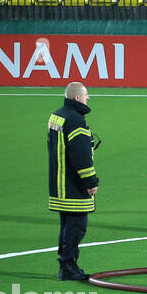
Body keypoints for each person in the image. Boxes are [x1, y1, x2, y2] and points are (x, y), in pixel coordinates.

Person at [48, 81, 99, 281]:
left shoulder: (57, 116)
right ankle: (68, 266)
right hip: (73, 186)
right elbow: (80, 156)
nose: (88, 98)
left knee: (67, 226)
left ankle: (66, 264)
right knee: (76, 227)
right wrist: (91, 182)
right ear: (77, 97)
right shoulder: (75, 120)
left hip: (58, 183)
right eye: (86, 95)